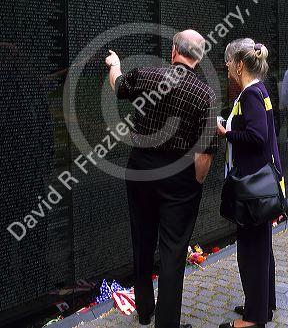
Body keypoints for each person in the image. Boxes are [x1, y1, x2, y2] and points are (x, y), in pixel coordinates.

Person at [105, 29, 217, 328]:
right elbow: (205, 153)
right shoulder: (205, 95)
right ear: (200, 56)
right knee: (173, 251)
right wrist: (195, 183)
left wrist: (114, 64)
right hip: (179, 176)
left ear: (173, 50)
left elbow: (118, 87)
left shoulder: (147, 76)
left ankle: (144, 311)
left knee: (142, 240)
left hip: (141, 169)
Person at [217, 38, 284, 328]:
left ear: (240, 64)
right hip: (262, 186)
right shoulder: (260, 90)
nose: (227, 66)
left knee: (251, 252)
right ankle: (263, 306)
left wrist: (225, 133)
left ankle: (254, 318)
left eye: (229, 62)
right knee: (261, 248)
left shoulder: (250, 95)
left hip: (253, 190)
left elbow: (257, 137)